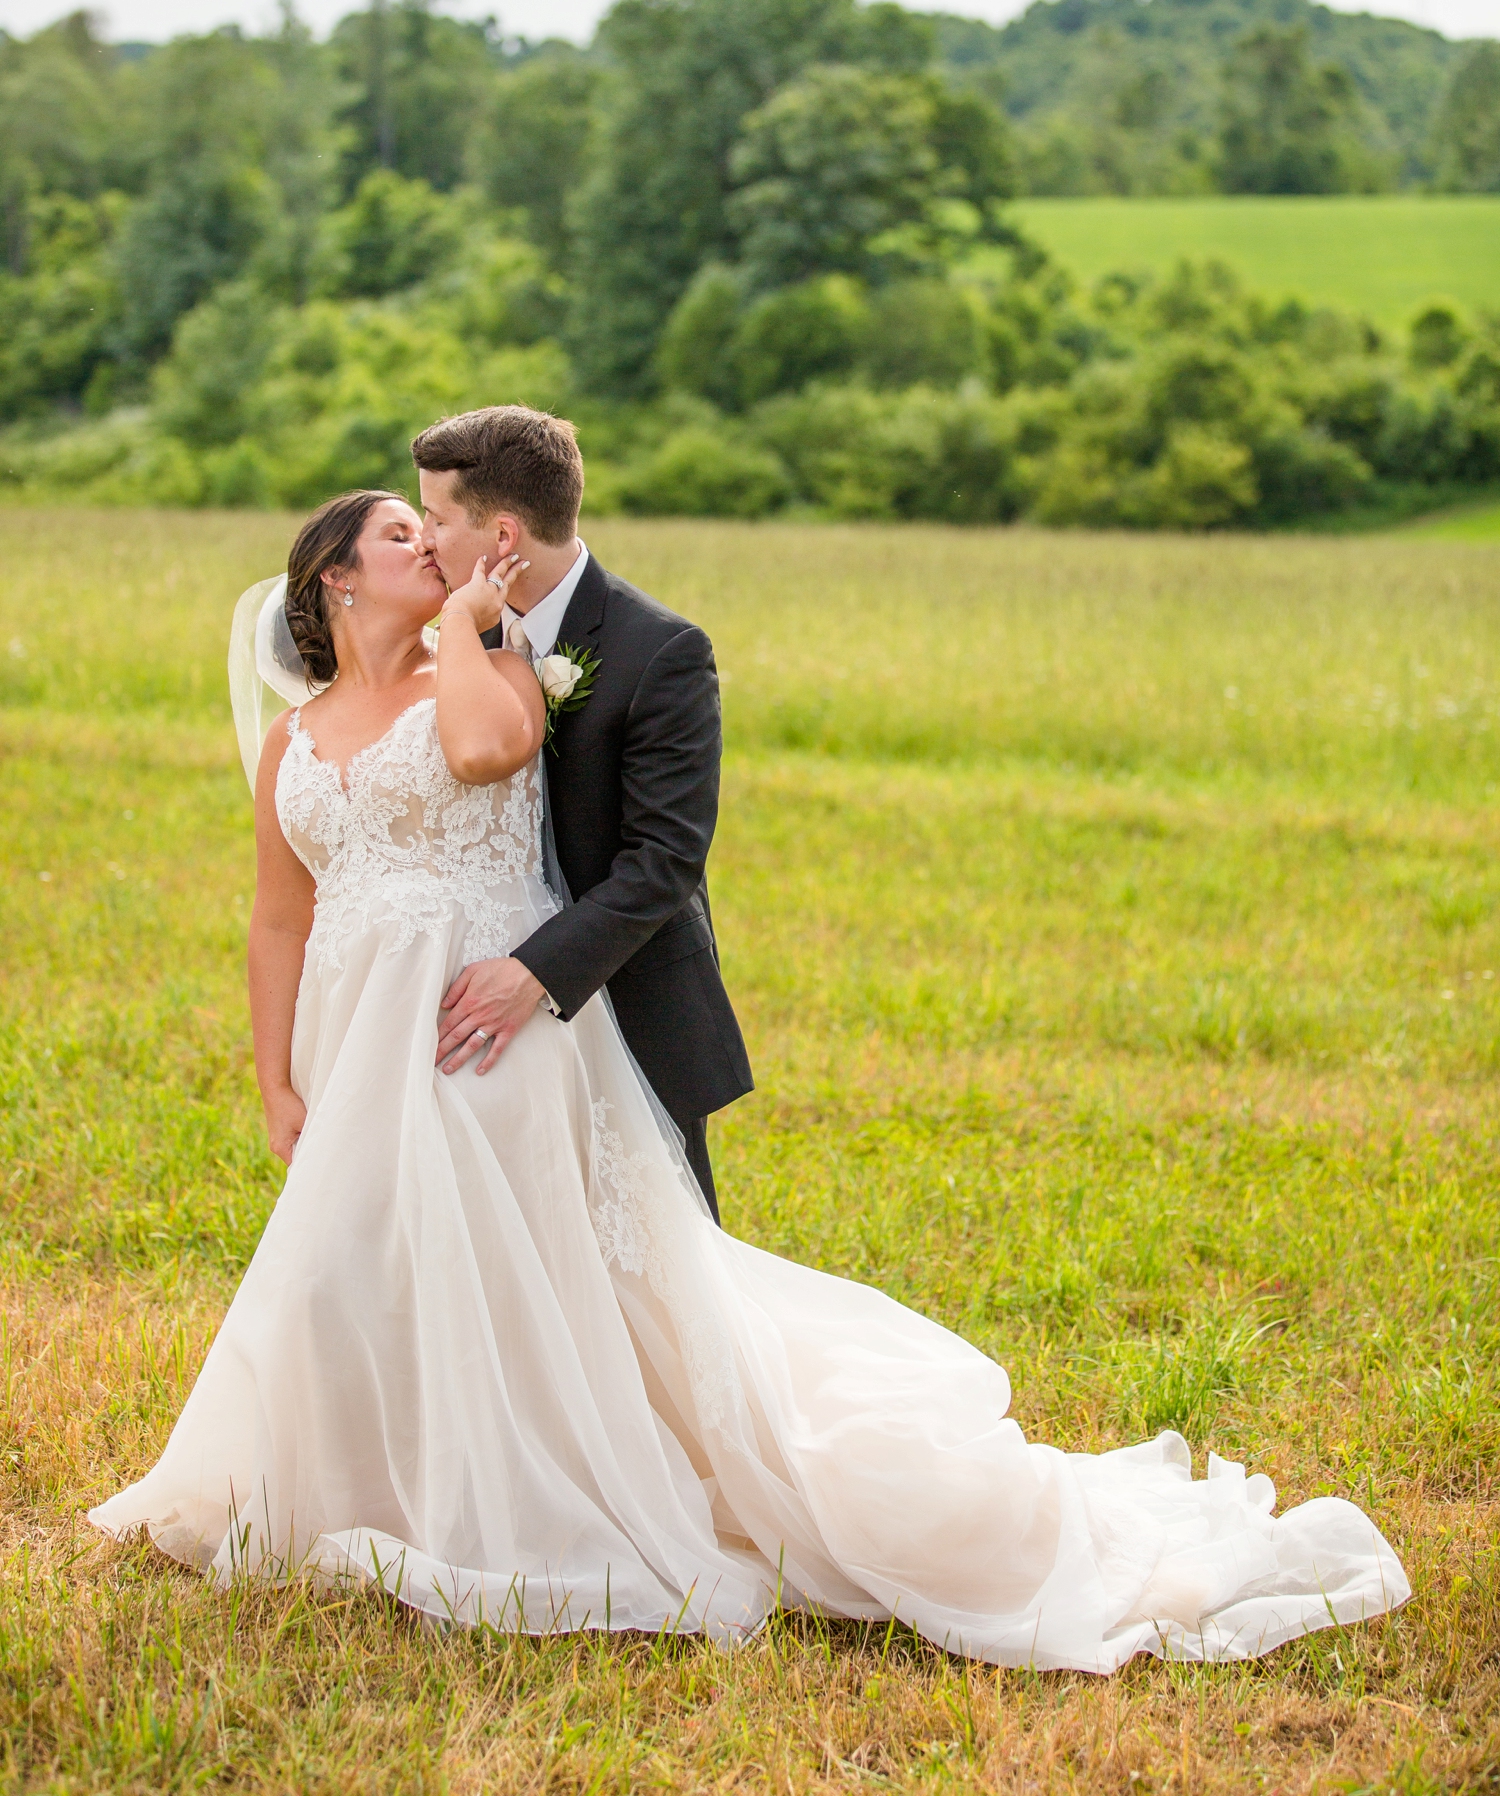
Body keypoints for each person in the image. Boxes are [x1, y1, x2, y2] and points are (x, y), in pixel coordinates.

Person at [90, 481, 1410, 1668]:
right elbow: (279, 912)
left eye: (429, 526)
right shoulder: (298, 733)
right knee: (349, 1263)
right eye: (398, 534)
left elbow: (491, 754)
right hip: (358, 1033)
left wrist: (466, 624)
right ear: (333, 576)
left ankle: (525, 1508)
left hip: (492, 1026)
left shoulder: (484, 668)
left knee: (511, 1264)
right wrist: (274, 1077)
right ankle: (347, 1490)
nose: (428, 543)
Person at [409, 406, 751, 1221]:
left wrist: (531, 975)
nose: (423, 539)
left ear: (500, 536)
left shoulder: (661, 652)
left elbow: (663, 862)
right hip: (476, 1013)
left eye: (435, 517)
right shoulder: (448, 640)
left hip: (622, 995)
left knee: (661, 1262)